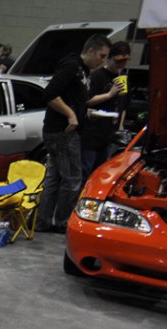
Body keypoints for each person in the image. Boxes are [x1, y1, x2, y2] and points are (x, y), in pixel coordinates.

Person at [36, 33, 112, 234]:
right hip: (62, 132)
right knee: (72, 180)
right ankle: (61, 222)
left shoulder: (84, 71)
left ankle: (44, 221)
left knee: (54, 177)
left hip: (62, 131)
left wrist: (83, 112)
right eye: (102, 56)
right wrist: (71, 114)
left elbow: (76, 98)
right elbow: (49, 94)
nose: (103, 61)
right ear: (90, 51)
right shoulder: (72, 66)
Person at [80, 40, 131, 176]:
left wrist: (120, 128)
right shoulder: (97, 76)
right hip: (91, 134)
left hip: (109, 135)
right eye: (118, 61)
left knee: (101, 172)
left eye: (124, 62)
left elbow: (123, 105)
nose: (121, 65)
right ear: (109, 58)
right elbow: (87, 101)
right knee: (86, 170)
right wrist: (109, 94)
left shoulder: (122, 78)